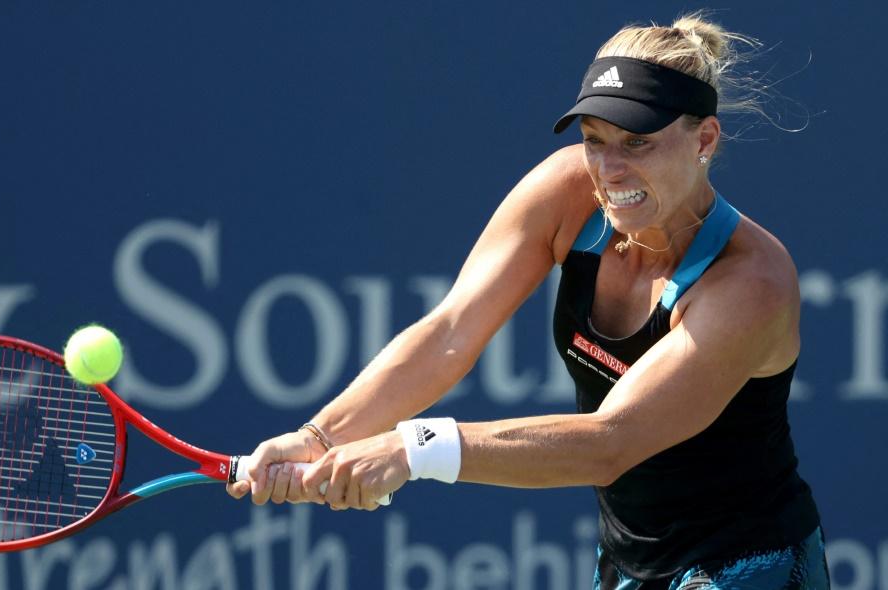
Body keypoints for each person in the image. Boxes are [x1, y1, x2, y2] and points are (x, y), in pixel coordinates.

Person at [227, 12, 829, 589]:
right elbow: (450, 333)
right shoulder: (571, 192)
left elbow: (610, 442)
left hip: (751, 562)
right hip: (628, 558)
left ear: (704, 139)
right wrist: (320, 438)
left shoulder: (751, 283)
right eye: (595, 140)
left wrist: (414, 448)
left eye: (637, 142)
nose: (610, 169)